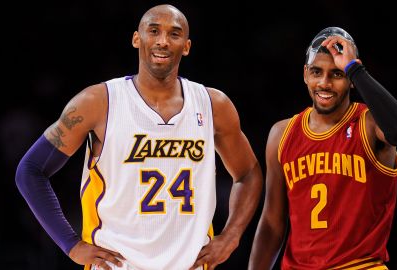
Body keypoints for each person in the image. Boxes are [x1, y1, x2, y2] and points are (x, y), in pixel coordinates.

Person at [15, 4, 262, 270]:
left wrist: (231, 237)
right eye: (153, 31)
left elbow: (248, 173)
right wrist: (71, 245)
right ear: (137, 38)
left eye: (174, 34)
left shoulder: (214, 105)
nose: (163, 41)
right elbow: (30, 170)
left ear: (187, 46)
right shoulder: (98, 102)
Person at [248, 26, 397, 269]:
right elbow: (272, 223)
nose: (324, 83)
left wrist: (355, 68)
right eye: (317, 72)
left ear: (351, 78)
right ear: (305, 74)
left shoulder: (369, 124)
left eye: (336, 74)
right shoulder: (282, 134)